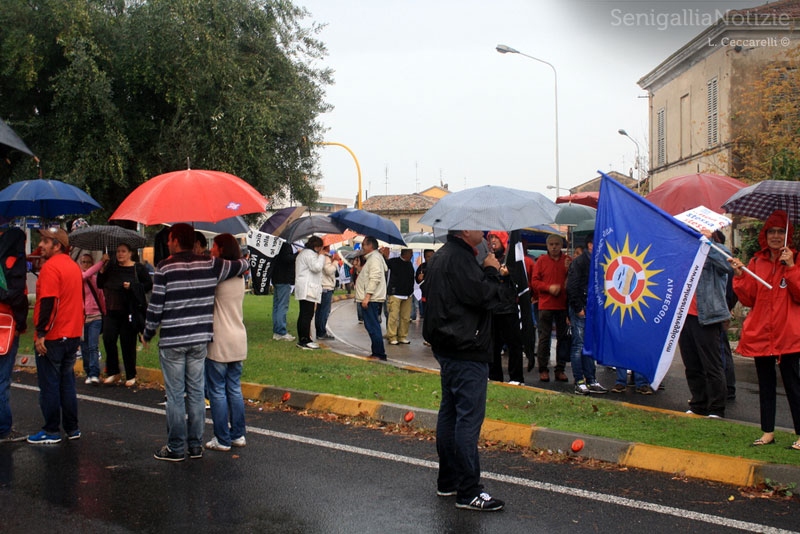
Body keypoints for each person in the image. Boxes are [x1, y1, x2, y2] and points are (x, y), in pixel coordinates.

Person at [144, 223, 249, 462]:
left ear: (175, 240)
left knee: (175, 395)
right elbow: (241, 264)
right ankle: (195, 445)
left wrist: (148, 332)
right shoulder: (210, 265)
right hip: (200, 338)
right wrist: (245, 262)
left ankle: (175, 447)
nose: (167, 243)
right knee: (195, 393)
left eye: (169, 239)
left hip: (173, 339)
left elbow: (156, 306)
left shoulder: (164, 267)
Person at [423, 229, 509, 512]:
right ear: (463, 229)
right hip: (465, 345)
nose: (483, 231)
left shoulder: (442, 256)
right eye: (476, 225)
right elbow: (484, 296)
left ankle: (448, 480)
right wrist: (492, 272)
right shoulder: (459, 258)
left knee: (450, 414)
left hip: (448, 345)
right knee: (467, 419)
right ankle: (469, 490)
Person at [730, 210, 800, 449]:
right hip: (761, 333)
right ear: (765, 234)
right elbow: (749, 298)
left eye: (781, 232)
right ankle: (767, 432)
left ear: (787, 235)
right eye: (772, 231)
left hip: (788, 334)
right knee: (766, 385)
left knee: (794, 385)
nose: (776, 236)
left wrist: (791, 267)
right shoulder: (756, 262)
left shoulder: (795, 259)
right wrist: (740, 276)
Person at [27, 228, 84, 444]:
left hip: (54, 335)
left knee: (49, 384)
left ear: (57, 245)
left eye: (45, 241)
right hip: (72, 334)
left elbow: (49, 302)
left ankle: (51, 430)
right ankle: (72, 428)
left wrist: (42, 333)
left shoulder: (51, 267)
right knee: (67, 382)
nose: (41, 245)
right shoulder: (73, 266)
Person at [679, 228, 732, 417]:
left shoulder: (715, 248)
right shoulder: (686, 249)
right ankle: (698, 404)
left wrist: (708, 242)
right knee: (691, 364)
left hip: (708, 316)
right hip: (684, 316)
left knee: (712, 364)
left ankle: (717, 408)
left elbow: (727, 265)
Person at [204, 234, 248, 452]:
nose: (211, 250)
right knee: (234, 388)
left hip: (219, 338)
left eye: (214, 247)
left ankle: (221, 438)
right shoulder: (240, 277)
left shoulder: (217, 275)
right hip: (238, 337)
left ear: (222, 249)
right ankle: (238, 434)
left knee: (217, 390)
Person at [97, 243, 153, 387]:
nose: (120, 254)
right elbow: (100, 284)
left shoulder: (138, 268)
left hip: (129, 311)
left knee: (127, 343)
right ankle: (113, 371)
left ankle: (130, 374)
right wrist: (102, 268)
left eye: (123, 251)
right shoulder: (111, 267)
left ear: (130, 253)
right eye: (118, 251)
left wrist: (132, 286)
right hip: (111, 310)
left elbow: (148, 284)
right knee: (108, 339)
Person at [566, 232, 607, 395]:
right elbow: (571, 287)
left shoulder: (598, 262)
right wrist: (578, 308)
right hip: (581, 308)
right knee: (578, 345)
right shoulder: (580, 262)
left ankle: (591, 379)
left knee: (589, 345)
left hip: (592, 308)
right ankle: (579, 381)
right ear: (590, 245)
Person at [0, 229, 29, 443]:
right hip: (7, 325)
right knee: (2, 379)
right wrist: (21, 323)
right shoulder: (13, 262)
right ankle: (3, 429)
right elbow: (17, 296)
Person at [531, 234, 571, 382]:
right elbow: (534, 281)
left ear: (561, 246)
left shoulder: (567, 260)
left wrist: (568, 270)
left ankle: (560, 369)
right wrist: (548, 288)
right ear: (547, 246)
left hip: (562, 305)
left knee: (562, 338)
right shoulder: (541, 261)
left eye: (557, 244)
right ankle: (543, 368)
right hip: (546, 305)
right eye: (551, 244)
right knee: (544, 338)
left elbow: (572, 281)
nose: (554, 247)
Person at [486, 232, 524, 385]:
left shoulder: (511, 258)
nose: (493, 241)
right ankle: (495, 375)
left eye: (495, 237)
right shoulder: (488, 258)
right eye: (490, 238)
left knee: (514, 344)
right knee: (493, 345)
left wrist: (509, 273)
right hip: (493, 308)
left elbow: (521, 280)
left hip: (509, 308)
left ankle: (516, 377)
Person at [355, 236, 387, 360]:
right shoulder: (373, 258)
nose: (362, 247)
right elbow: (367, 276)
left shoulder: (374, 258)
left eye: (364, 244)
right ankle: (376, 352)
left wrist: (367, 296)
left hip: (372, 299)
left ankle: (379, 353)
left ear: (370, 246)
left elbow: (375, 278)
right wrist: (358, 268)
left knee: (373, 326)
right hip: (371, 298)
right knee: (371, 326)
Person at [294, 236, 325, 349]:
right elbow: (316, 267)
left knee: (304, 314)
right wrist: (321, 256)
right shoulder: (309, 254)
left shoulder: (304, 253)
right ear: (317, 246)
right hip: (308, 288)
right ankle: (304, 340)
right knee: (307, 314)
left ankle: (304, 338)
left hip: (305, 286)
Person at [79, 254, 105, 385]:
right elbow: (85, 275)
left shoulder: (95, 280)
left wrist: (104, 313)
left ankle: (94, 373)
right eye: (83, 262)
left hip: (96, 317)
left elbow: (101, 297)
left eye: (88, 262)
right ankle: (88, 371)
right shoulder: (78, 277)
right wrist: (101, 262)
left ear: (92, 263)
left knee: (93, 346)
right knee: (84, 347)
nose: (85, 264)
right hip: (82, 318)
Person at [386, 249, 415, 345]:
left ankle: (402, 336)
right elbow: (384, 265)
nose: (412, 255)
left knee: (405, 317)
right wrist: (384, 255)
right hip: (395, 294)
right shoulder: (393, 261)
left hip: (408, 294)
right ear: (405, 253)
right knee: (393, 317)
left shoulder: (410, 264)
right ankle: (392, 336)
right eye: (411, 253)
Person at [271, 240, 296, 341]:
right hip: (284, 278)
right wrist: (296, 255)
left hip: (276, 278)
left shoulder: (276, 243)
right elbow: (287, 259)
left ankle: (277, 330)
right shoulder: (285, 245)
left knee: (277, 306)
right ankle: (281, 331)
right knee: (282, 305)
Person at [315, 246, 337, 340]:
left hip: (321, 286)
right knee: (324, 310)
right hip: (326, 286)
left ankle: (319, 331)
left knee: (319, 310)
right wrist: (335, 262)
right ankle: (321, 332)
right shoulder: (325, 257)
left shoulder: (318, 256)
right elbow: (329, 270)